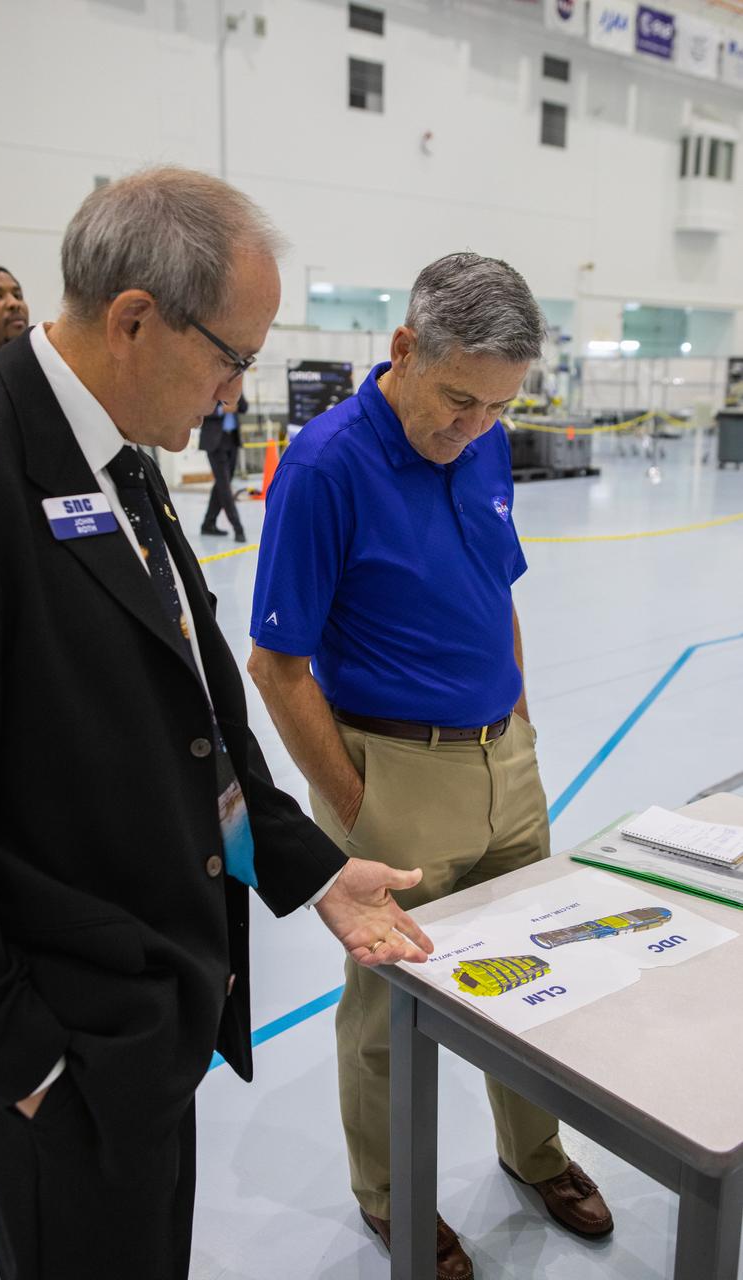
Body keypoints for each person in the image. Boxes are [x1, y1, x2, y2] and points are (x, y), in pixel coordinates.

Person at [0, 167, 433, 1280]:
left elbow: (195, 715)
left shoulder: (120, 454)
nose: (236, 392)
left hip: (154, 1018)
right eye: (233, 355)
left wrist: (313, 870)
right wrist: (15, 1062)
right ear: (135, 319)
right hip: (58, 1053)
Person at [248, 252, 613, 1280]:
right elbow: (276, 665)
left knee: (534, 966)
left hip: (509, 764)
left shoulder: (483, 446)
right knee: (388, 1012)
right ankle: (389, 1193)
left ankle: (532, 1149)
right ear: (404, 348)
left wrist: (523, 724)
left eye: (496, 408)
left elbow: (500, 594)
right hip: (394, 779)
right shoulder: (324, 466)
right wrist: (360, 806)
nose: (470, 428)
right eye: (457, 399)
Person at [199, 392, 248, 541]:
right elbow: (201, 411)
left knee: (221, 485)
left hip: (231, 440)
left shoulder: (235, 388)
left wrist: (237, 397)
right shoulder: (211, 387)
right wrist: (221, 410)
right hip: (215, 443)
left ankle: (208, 523)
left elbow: (244, 408)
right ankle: (238, 527)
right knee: (225, 487)